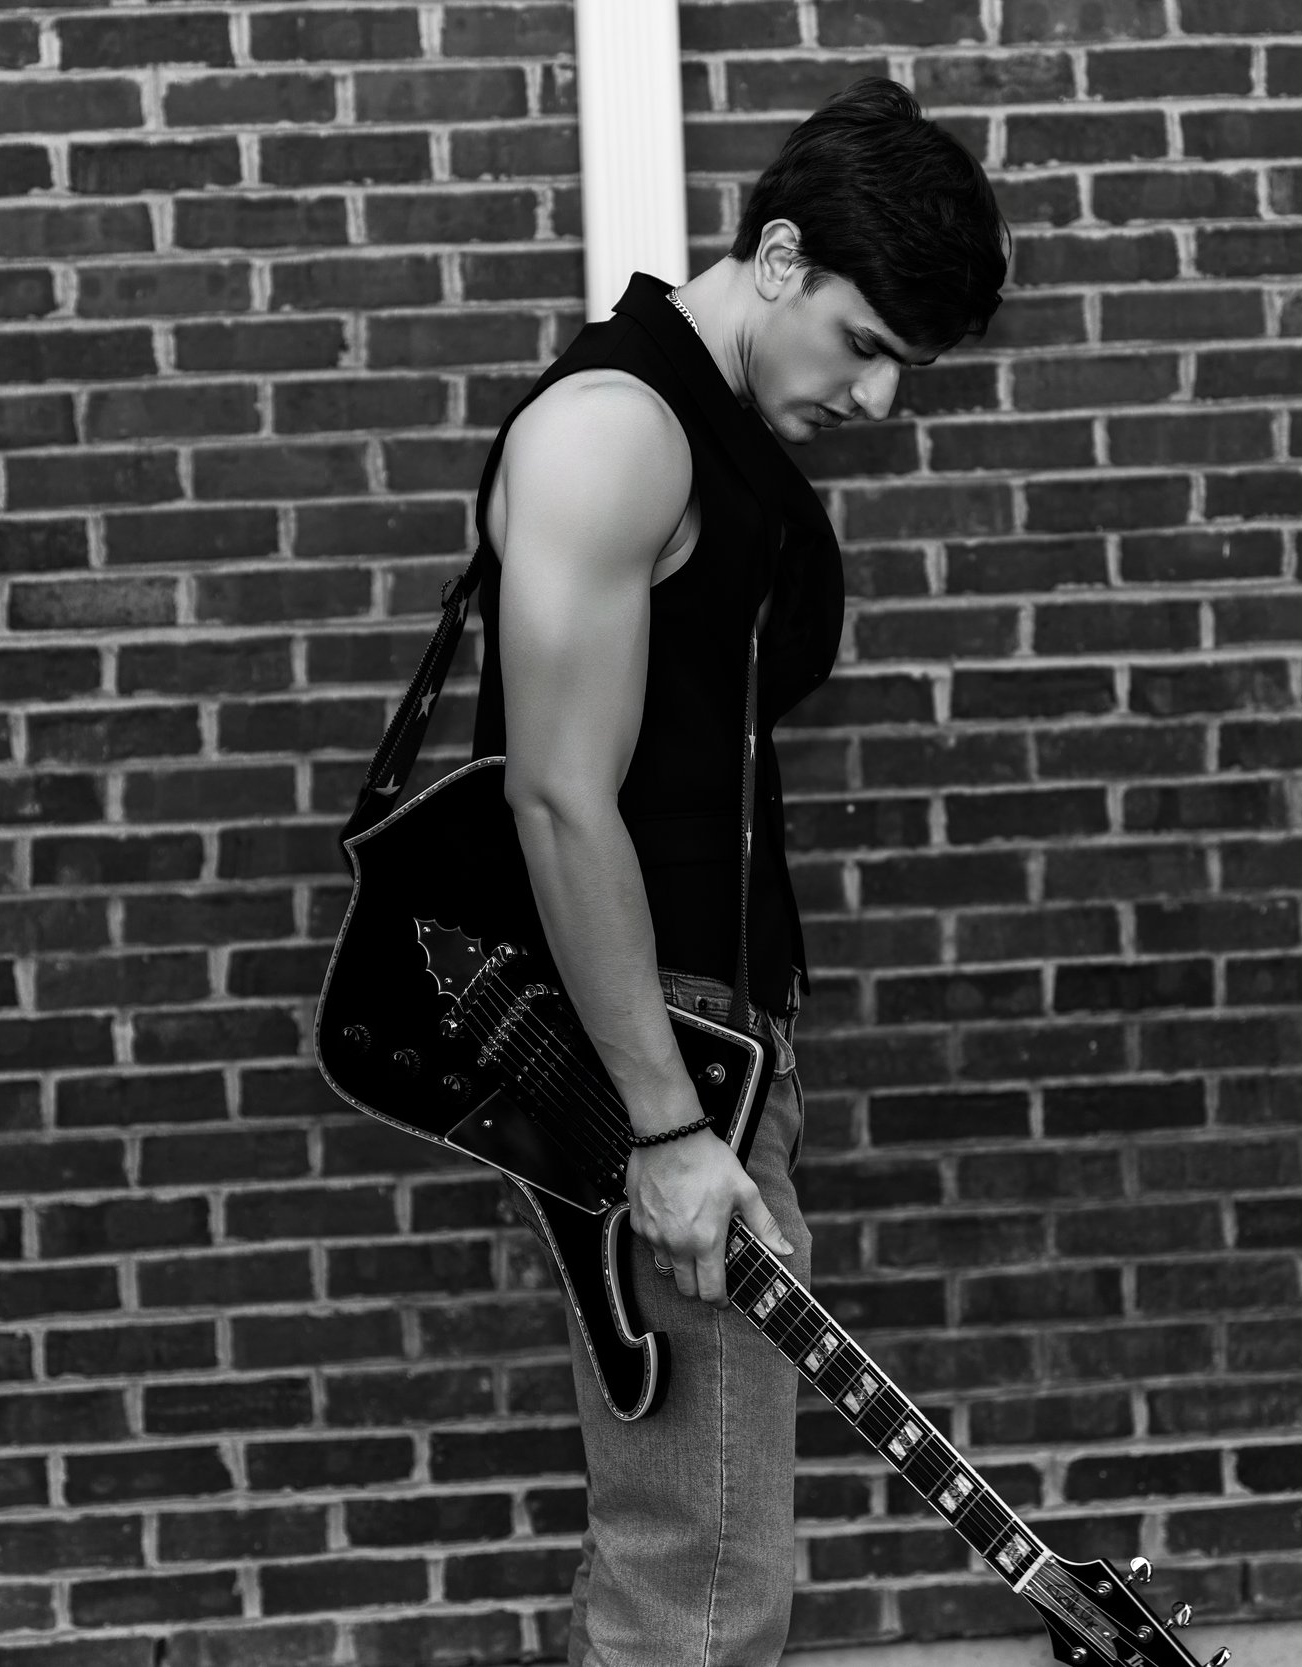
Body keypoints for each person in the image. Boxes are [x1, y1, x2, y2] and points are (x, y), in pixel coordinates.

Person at [467, 78, 1008, 1667]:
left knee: (696, 1556)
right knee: (697, 1581)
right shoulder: (616, 429)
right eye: (867, 344)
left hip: (714, 1044)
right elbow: (559, 799)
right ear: (777, 256)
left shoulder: (697, 425)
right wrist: (669, 1126)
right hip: (666, 1057)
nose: (883, 402)